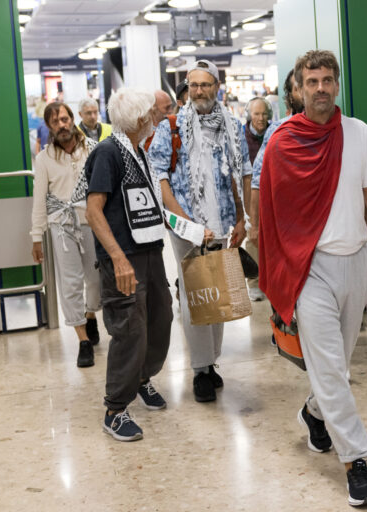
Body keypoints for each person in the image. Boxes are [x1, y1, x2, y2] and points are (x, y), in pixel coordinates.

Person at [259, 50, 367, 507]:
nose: (321, 88)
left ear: (337, 85)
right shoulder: (281, 142)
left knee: (336, 368)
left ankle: (313, 413)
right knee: (329, 367)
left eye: (327, 80)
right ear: (298, 89)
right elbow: (270, 212)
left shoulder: (358, 133)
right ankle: (356, 463)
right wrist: (280, 269)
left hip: (356, 262)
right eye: (312, 81)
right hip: (309, 270)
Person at [148, 59, 251, 403]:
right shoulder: (171, 127)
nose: (199, 91)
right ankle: (199, 370)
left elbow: (241, 174)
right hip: (185, 227)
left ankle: (211, 361)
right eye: (193, 85)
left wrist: (242, 219)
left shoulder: (232, 126)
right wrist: (186, 222)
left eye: (205, 85)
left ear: (216, 87)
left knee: (217, 293)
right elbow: (159, 177)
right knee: (195, 294)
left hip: (222, 224)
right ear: (187, 89)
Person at [84, 87, 173, 442]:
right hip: (123, 258)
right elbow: (93, 211)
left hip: (150, 252)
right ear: (138, 119)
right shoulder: (108, 153)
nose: (155, 117)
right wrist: (118, 258)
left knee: (160, 320)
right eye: (151, 112)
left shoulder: (140, 151)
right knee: (129, 330)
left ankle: (141, 379)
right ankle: (115, 410)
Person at [30, 101, 102, 368]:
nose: (61, 125)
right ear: (49, 127)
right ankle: (83, 341)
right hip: (61, 226)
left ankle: (91, 315)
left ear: (72, 119)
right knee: (70, 282)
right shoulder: (44, 159)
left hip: (93, 222)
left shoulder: (93, 149)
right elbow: (39, 200)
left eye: (64, 119)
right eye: (55, 122)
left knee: (95, 280)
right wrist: (36, 237)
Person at [247, 69, 304, 282]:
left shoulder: (338, 129)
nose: (308, 91)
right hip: (289, 229)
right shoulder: (279, 131)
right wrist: (254, 225)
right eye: (299, 87)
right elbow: (257, 179)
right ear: (290, 95)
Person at [242, 97, 273, 301]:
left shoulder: (274, 132)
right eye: (256, 114)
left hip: (271, 191)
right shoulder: (241, 136)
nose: (261, 118)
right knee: (253, 234)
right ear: (249, 115)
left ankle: (271, 280)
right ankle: (254, 283)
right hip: (249, 191)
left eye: (264, 114)